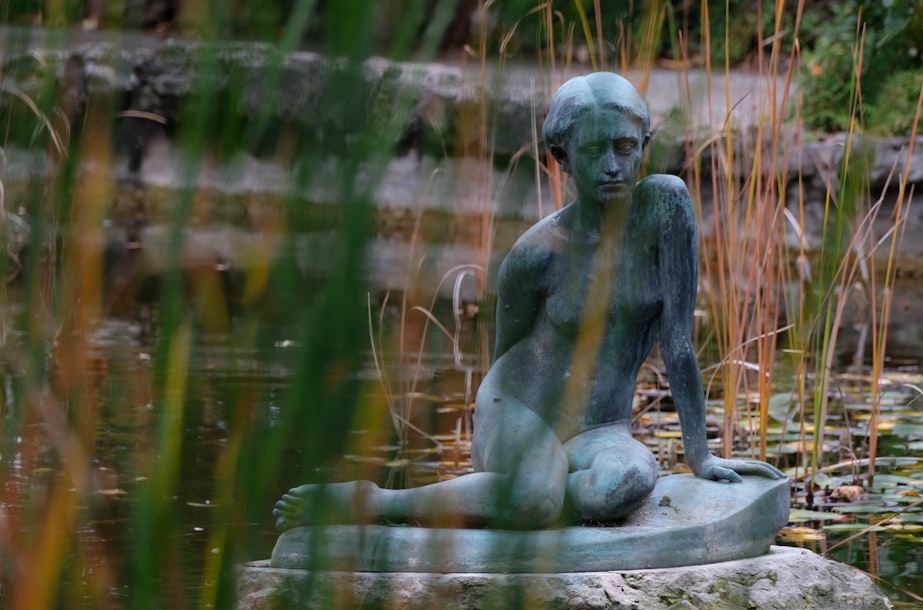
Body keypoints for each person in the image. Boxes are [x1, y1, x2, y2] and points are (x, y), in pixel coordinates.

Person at [274, 72, 783, 532]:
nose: (612, 166)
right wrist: (516, 449)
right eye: (592, 150)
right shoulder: (536, 256)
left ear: (644, 147)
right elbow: (505, 356)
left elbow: (678, 345)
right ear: (562, 158)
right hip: (521, 410)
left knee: (627, 483)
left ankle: (519, 497)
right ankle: (374, 502)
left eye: (626, 147)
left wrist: (701, 456)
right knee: (538, 497)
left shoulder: (666, 208)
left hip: (602, 428)